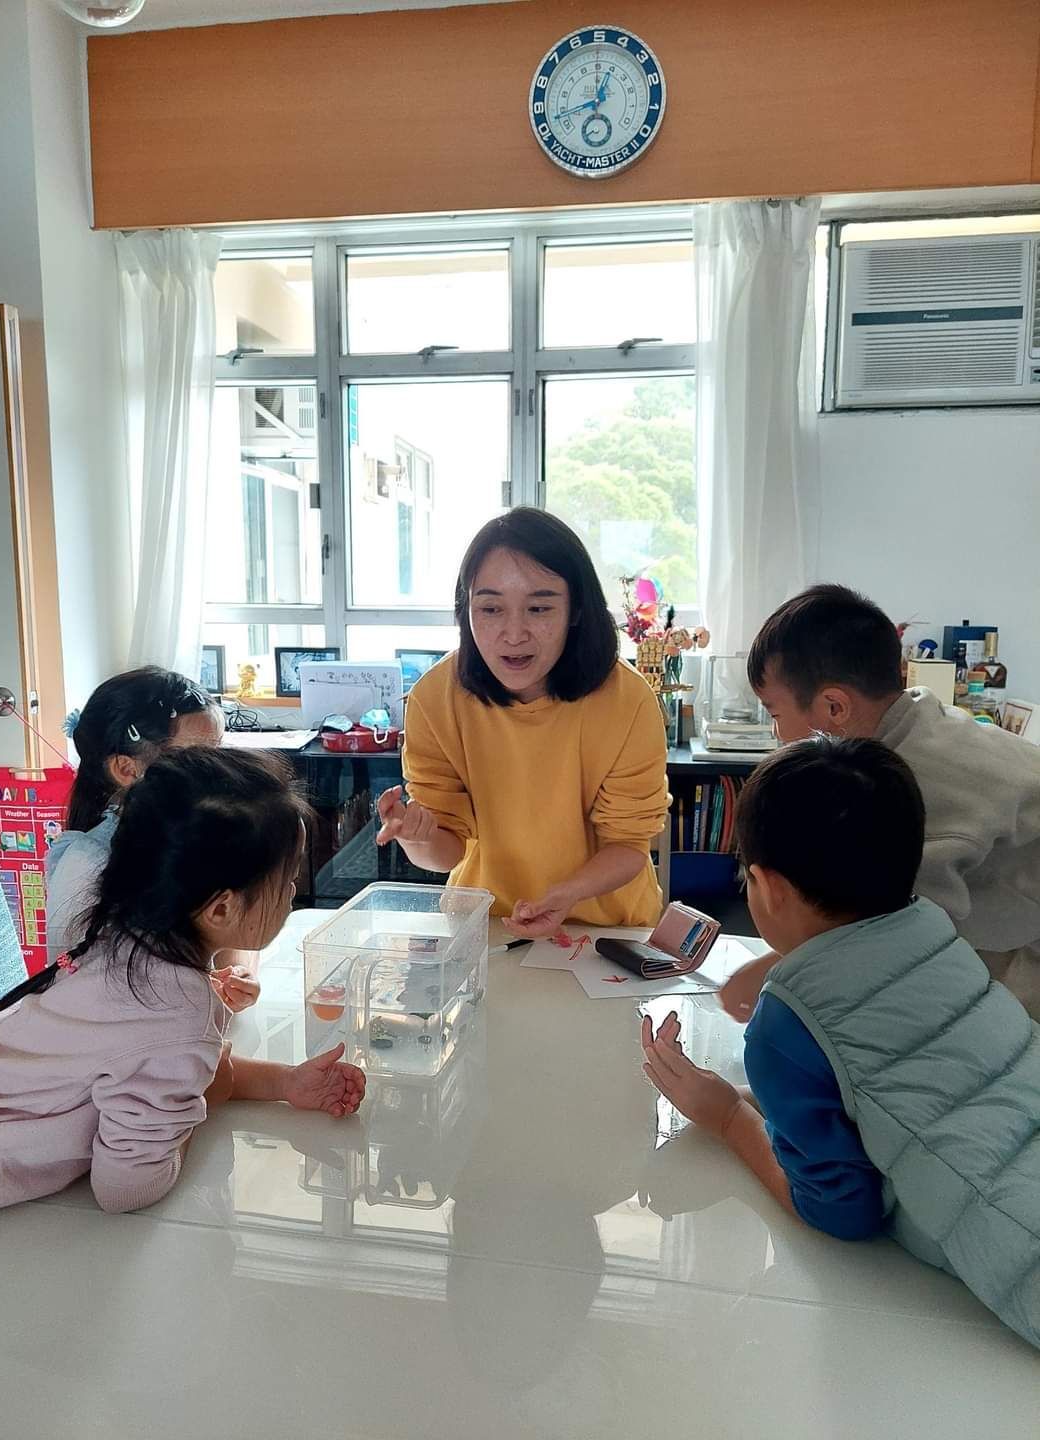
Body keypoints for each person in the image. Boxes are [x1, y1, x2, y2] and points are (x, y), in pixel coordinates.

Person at [642, 737, 1040, 1350]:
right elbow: (909, 1085)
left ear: (768, 888)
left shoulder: (785, 1028)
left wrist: (725, 1116)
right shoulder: (940, 936)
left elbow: (840, 1213)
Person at [0, 748, 365, 1220]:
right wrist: (208, 1102)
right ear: (221, 909)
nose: (293, 891)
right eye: (286, 879)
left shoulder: (127, 935)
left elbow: (161, 1065)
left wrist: (283, 1081)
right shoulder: (177, 1012)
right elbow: (124, 1189)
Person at [720, 584, 1040, 1021]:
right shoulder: (917, 723)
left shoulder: (916, 786)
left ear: (835, 707)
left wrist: (779, 971)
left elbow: (901, 939)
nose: (777, 736)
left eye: (776, 715)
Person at [376, 508, 669, 935]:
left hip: (607, 930)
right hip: (486, 924)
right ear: (467, 610)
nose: (514, 634)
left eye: (538, 608)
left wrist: (565, 894)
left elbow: (627, 844)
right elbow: (447, 848)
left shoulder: (627, 699)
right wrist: (416, 838)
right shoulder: (435, 698)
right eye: (491, 608)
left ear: (575, 610)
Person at [47, 666, 257, 1013]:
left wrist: (240, 973)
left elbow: (239, 926)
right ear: (128, 771)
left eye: (219, 752)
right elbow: (78, 1003)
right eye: (198, 759)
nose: (222, 771)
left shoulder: (198, 833)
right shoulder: (87, 864)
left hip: (194, 1033)